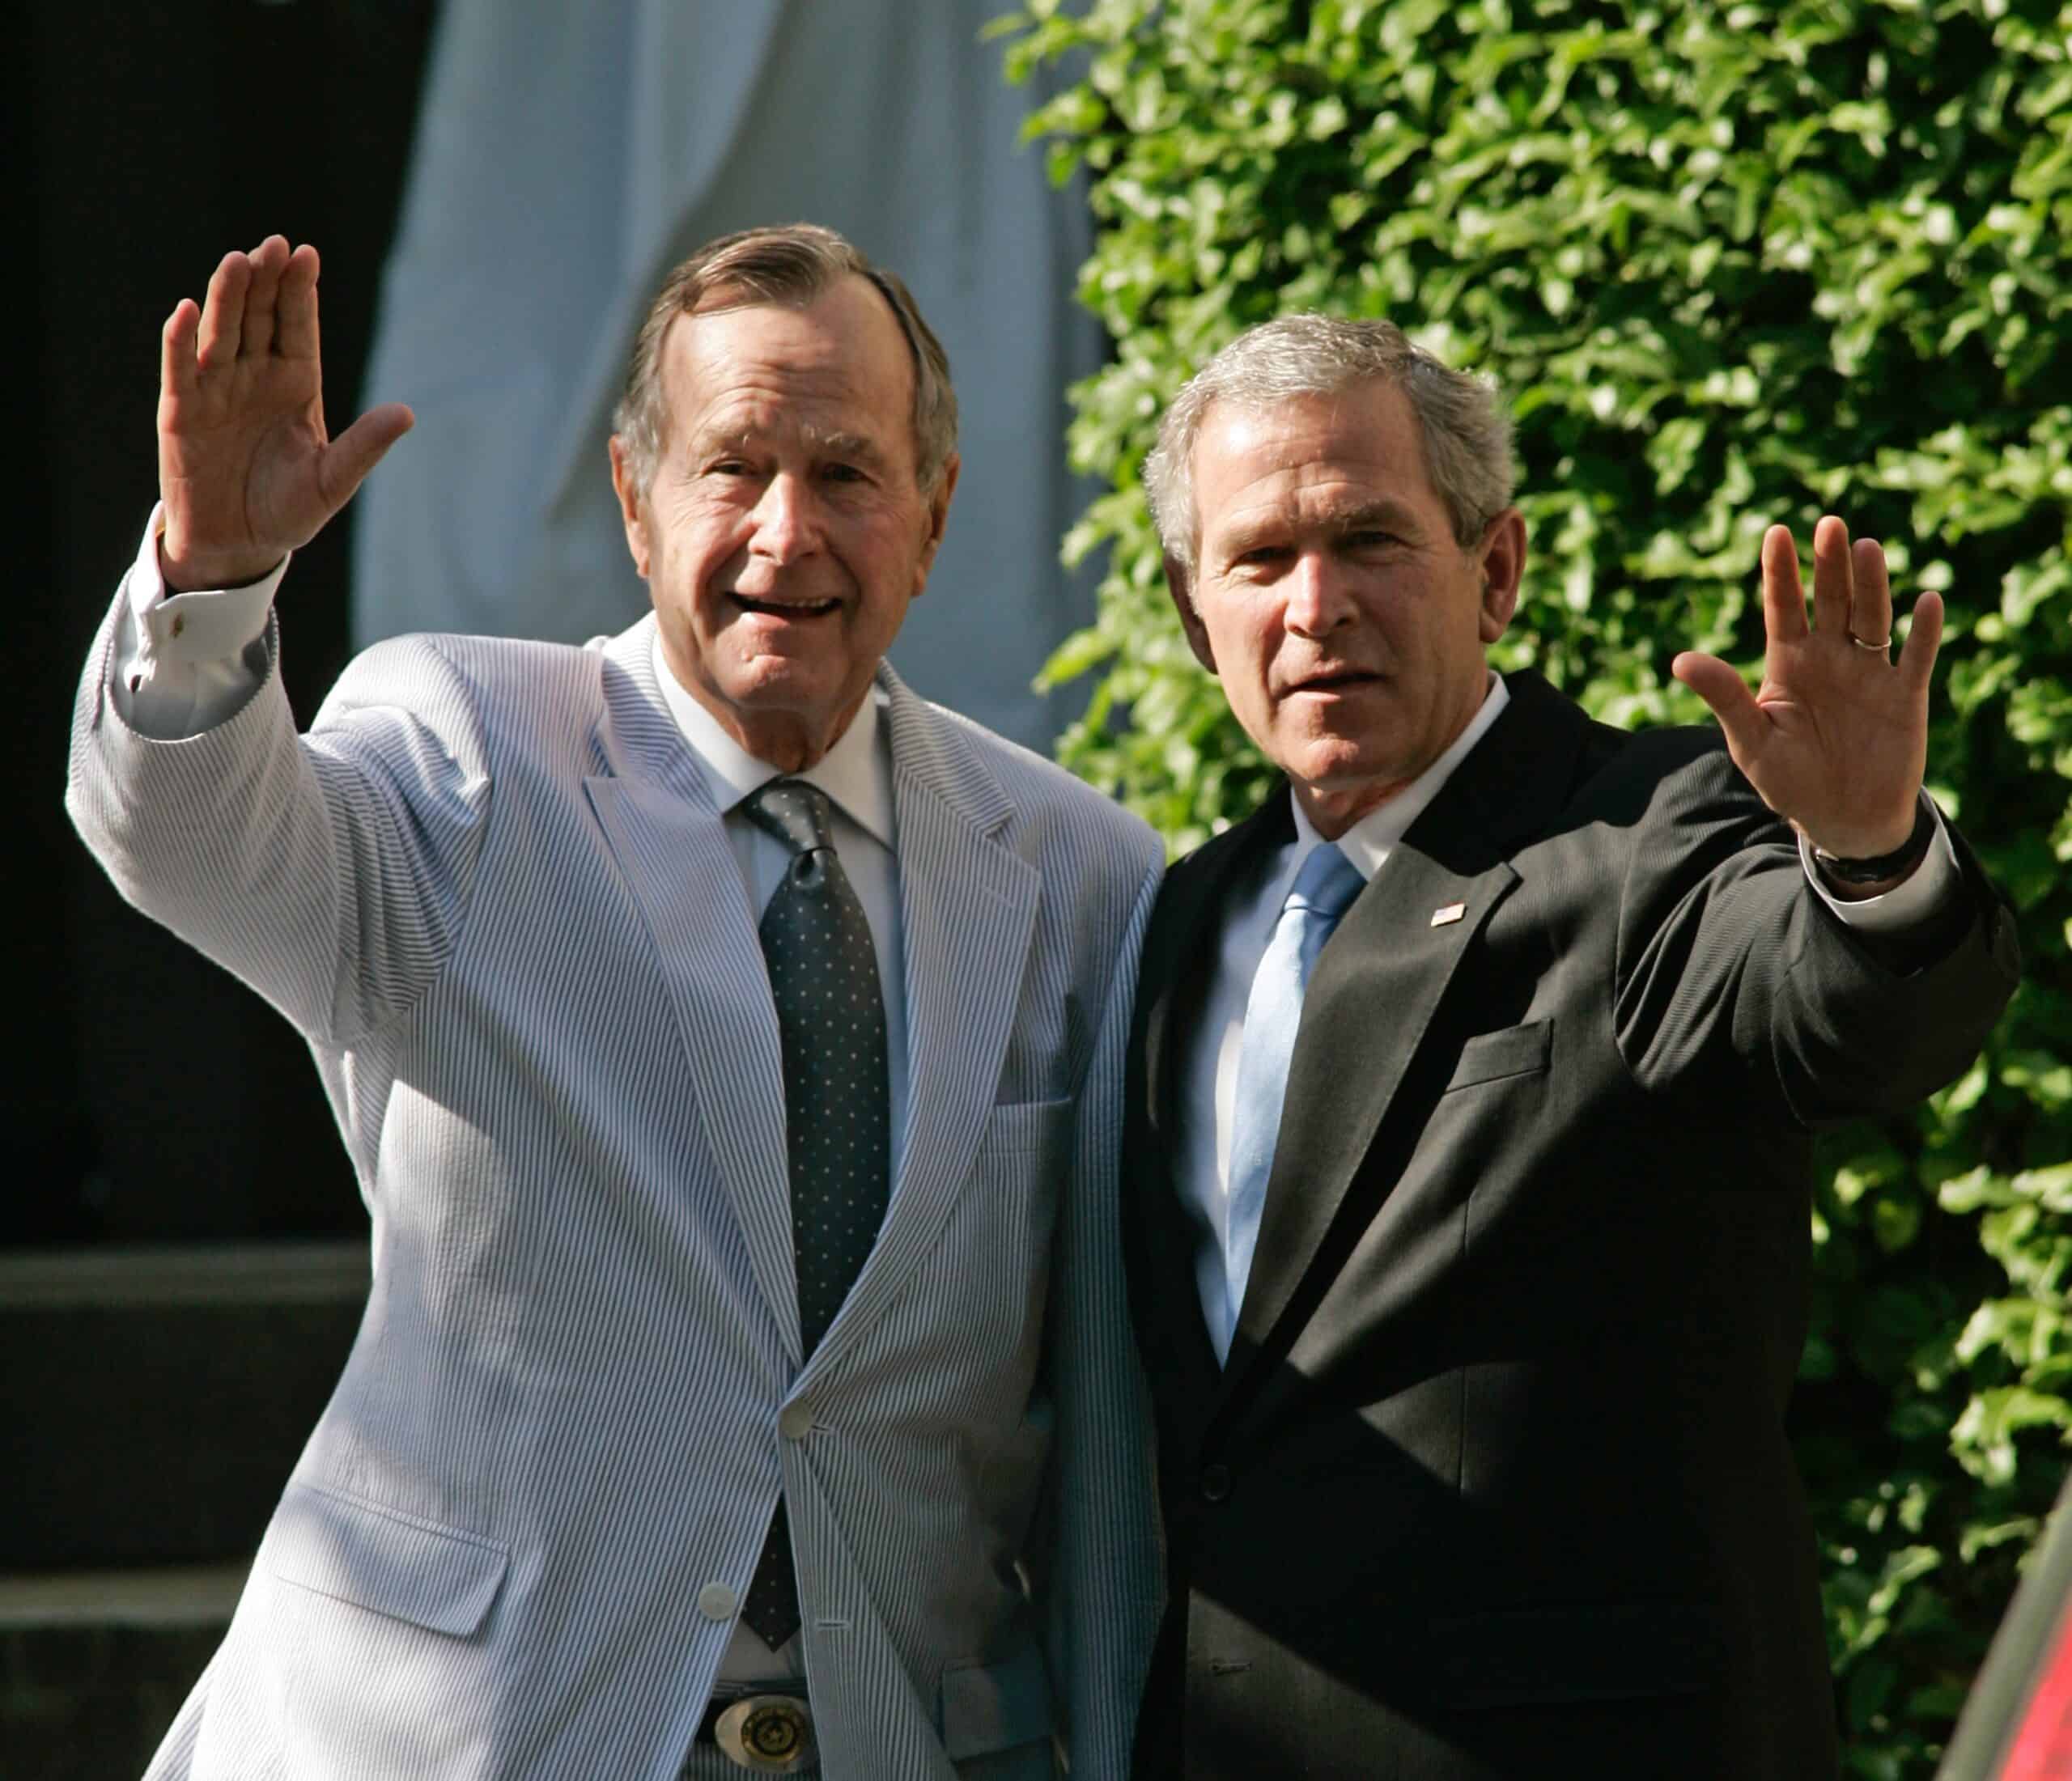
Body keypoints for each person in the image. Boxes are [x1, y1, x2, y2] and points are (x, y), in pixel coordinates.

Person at [66, 225, 1162, 1780]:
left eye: (848, 474)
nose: (788, 535)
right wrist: (215, 585)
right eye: (732, 468)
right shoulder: (467, 749)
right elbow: (181, 842)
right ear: (636, 501)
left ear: (934, 516)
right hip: (461, 1736)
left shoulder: (1086, 871)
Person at [1118, 315, 2021, 1779]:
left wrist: (1867, 853)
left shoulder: (1653, 828)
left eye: (1370, 540)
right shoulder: (1172, 924)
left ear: (1498, 573)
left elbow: (1851, 1013)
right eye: (1261, 559)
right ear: (1190, 610)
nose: (1317, 603)